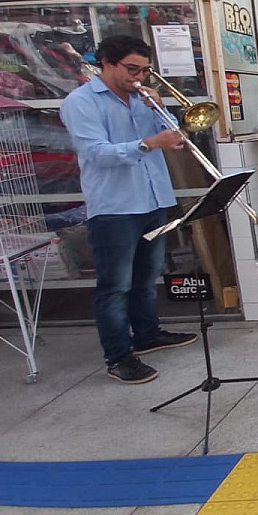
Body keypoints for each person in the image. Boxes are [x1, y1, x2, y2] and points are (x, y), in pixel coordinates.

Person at [60, 35, 198, 384]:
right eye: (132, 69)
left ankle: (148, 334)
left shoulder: (141, 99)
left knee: (145, 279)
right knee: (115, 286)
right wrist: (148, 143)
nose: (139, 76)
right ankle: (118, 356)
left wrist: (160, 108)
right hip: (115, 207)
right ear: (106, 63)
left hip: (152, 200)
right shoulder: (81, 102)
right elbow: (96, 153)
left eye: (145, 70)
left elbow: (175, 138)